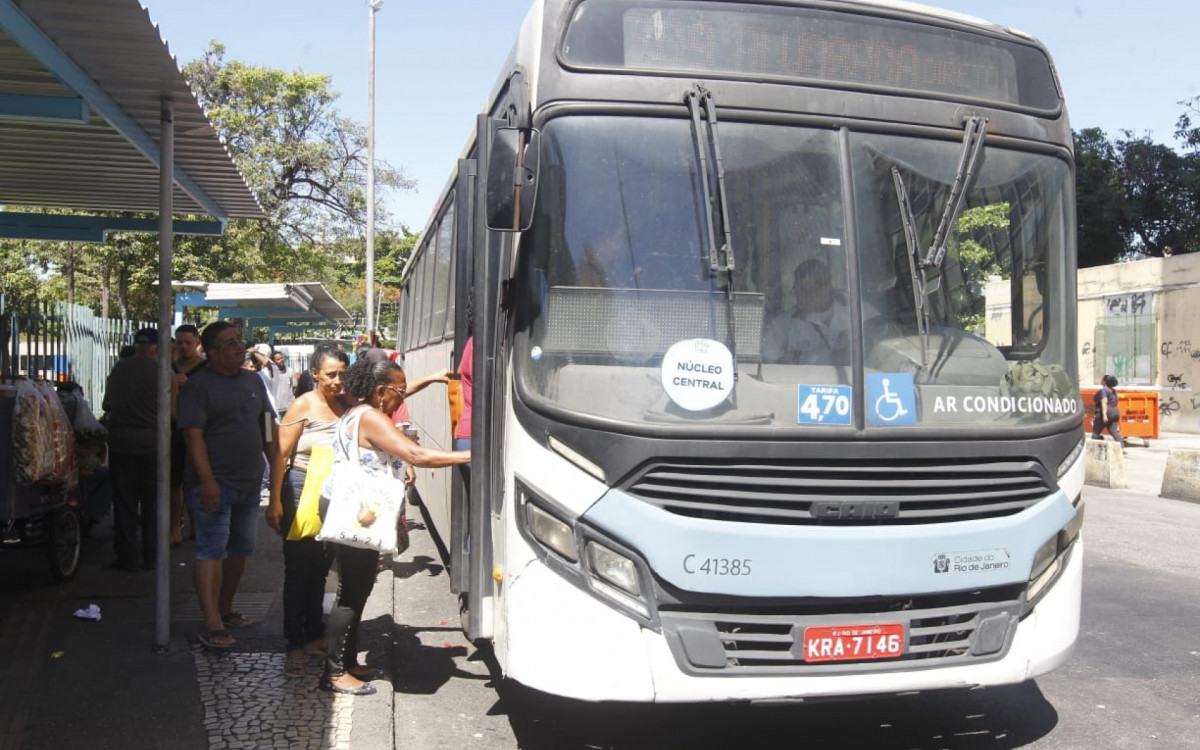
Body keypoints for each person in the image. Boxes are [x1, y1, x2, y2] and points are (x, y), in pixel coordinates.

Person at [321, 358, 470, 695]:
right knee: (351, 594)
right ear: (379, 391)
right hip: (356, 511)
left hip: (351, 507)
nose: (402, 397)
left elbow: (399, 397)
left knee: (357, 589)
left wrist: (429, 379)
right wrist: (473, 455)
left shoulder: (357, 410)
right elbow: (416, 455)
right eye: (399, 391)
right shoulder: (372, 417)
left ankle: (347, 662)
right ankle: (333, 673)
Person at [177, 321, 277, 650]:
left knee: (240, 549)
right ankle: (212, 622)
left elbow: (266, 427)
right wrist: (207, 481)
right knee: (211, 550)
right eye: (230, 343)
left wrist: (276, 467)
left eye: (240, 340)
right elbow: (193, 436)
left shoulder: (253, 381)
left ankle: (226, 607)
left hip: (249, 484)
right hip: (214, 485)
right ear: (214, 352)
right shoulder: (197, 386)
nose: (239, 347)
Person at [266, 348, 351, 677]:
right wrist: (275, 501)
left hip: (335, 493)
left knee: (321, 567)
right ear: (315, 374)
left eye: (342, 373)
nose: (337, 380)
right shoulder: (303, 404)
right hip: (301, 489)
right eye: (331, 374)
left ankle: (315, 634)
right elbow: (280, 454)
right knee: (299, 569)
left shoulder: (346, 403)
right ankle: (294, 646)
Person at [102, 327, 161, 572]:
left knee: (124, 502)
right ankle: (152, 556)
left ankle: (127, 557)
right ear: (156, 347)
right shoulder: (162, 372)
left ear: (136, 345)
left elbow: (107, 403)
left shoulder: (120, 368)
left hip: (122, 442)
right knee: (153, 502)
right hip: (153, 443)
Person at [764, 258, 860, 365]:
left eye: (807, 291)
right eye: (797, 292)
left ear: (827, 287)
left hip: (850, 380)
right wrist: (787, 367)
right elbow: (768, 350)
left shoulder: (858, 312)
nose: (800, 298)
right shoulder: (784, 323)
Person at [170, 324, 206, 546]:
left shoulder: (206, 369)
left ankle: (197, 525)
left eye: (188, 343)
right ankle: (175, 528)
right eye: (179, 342)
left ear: (197, 344)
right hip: (175, 431)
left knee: (197, 480)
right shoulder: (169, 368)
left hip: (200, 432)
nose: (183, 347)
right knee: (175, 481)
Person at [1092, 374, 1126, 445]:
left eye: (1102, 379)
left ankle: (1093, 450)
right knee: (1114, 431)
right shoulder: (1114, 391)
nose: (1101, 380)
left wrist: (1104, 415)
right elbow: (1116, 401)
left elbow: (1104, 402)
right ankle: (1121, 447)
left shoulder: (1104, 390)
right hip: (1115, 411)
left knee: (1096, 432)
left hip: (1105, 411)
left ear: (1104, 382)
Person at [271, 350, 296, 415]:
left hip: (289, 407)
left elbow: (294, 387)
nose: (281, 360)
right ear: (274, 361)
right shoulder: (271, 373)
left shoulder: (290, 371)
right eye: (278, 359)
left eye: (282, 358)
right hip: (276, 408)